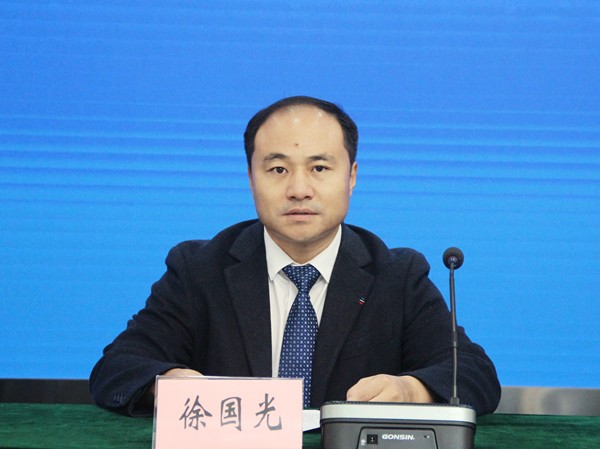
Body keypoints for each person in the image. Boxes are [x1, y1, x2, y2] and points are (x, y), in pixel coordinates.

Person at [89, 96, 501, 416]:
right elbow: (117, 368)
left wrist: (412, 390)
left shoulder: (397, 275)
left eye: (319, 168)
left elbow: (474, 374)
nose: (299, 190)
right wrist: (167, 382)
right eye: (278, 170)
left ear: (352, 177)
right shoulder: (199, 269)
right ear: (251, 178)